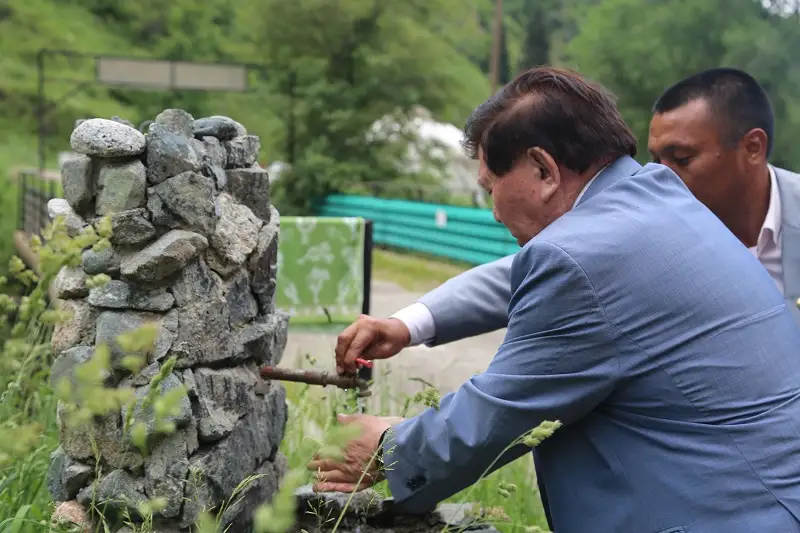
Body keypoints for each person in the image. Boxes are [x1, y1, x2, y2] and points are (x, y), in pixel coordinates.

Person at [310, 67, 800, 532]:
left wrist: (387, 449)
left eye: (490, 187)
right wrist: (408, 325)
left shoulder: (581, 256)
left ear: (544, 170)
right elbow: (530, 279)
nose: (494, 212)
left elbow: (501, 412)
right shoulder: (658, 200)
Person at [332, 68, 800, 383]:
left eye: (682, 158)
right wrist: (407, 324)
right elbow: (532, 273)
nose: (661, 175)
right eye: (655, 158)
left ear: (753, 148)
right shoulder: (652, 223)